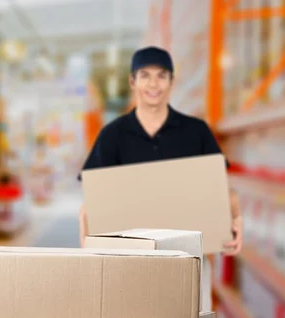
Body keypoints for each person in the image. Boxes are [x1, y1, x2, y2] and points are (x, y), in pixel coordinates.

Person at [78, 46, 243, 255]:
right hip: (131, 257)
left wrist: (237, 218)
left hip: (190, 256)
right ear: (132, 81)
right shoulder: (112, 136)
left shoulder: (196, 131)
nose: (153, 83)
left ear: (171, 82)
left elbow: (222, 190)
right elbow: (93, 202)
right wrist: (88, 245)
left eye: (161, 76)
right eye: (145, 75)